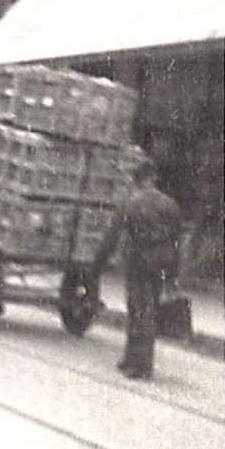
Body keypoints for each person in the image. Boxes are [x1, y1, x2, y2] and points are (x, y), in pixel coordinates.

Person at [91, 155, 181, 380]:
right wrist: (173, 275)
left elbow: (111, 237)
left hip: (139, 262)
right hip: (163, 263)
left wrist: (97, 264)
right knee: (149, 308)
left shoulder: (130, 203)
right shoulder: (170, 204)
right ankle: (133, 359)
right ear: (154, 178)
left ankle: (139, 364)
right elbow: (177, 242)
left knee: (138, 310)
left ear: (135, 179)